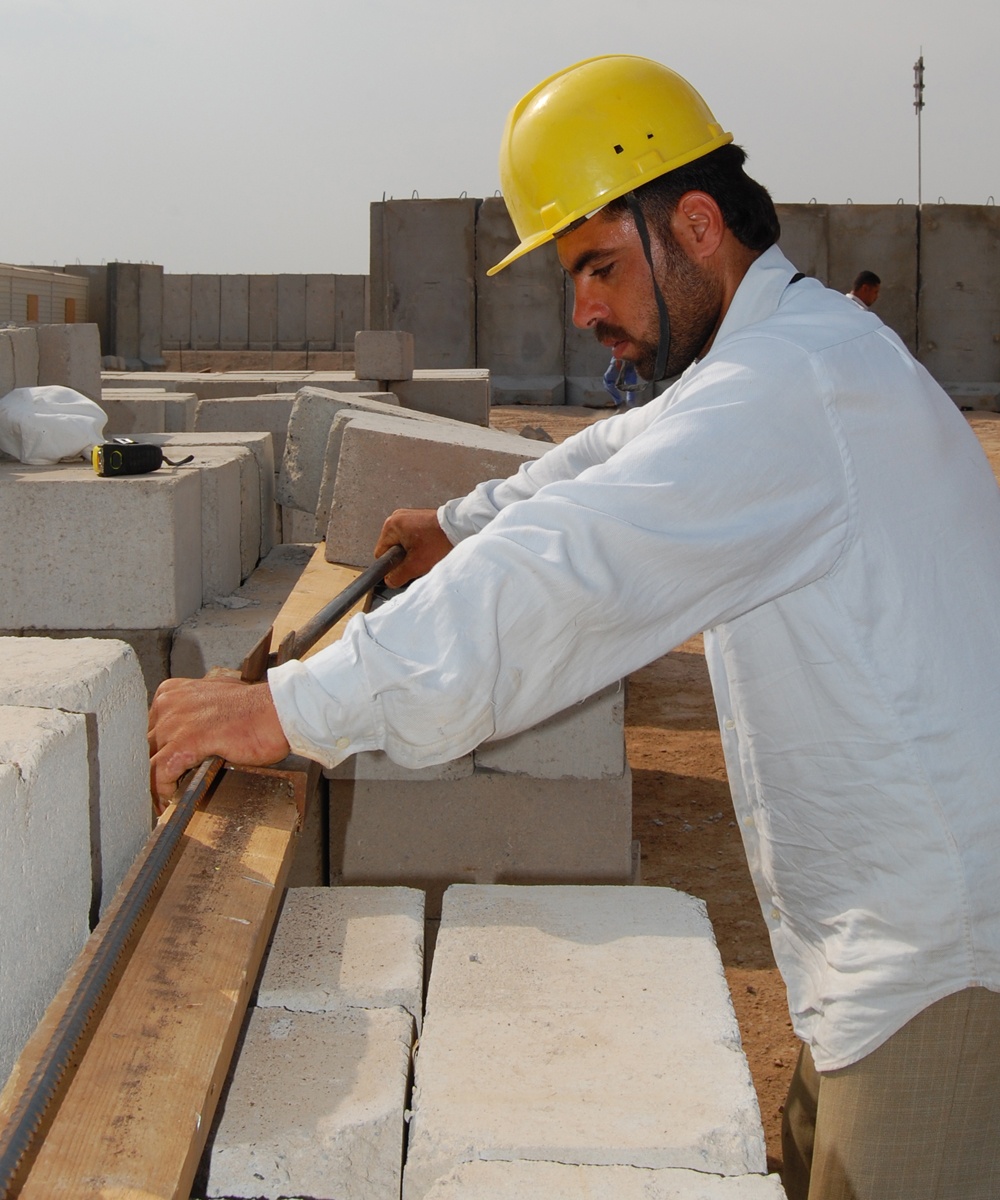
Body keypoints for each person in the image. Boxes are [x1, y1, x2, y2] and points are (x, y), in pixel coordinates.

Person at [148, 55, 1000, 1200]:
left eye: (599, 264)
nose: (584, 308)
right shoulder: (782, 361)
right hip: (873, 956)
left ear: (693, 225)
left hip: (938, 965)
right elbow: (609, 462)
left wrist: (290, 706)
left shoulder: (792, 389)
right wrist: (457, 521)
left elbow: (568, 575)